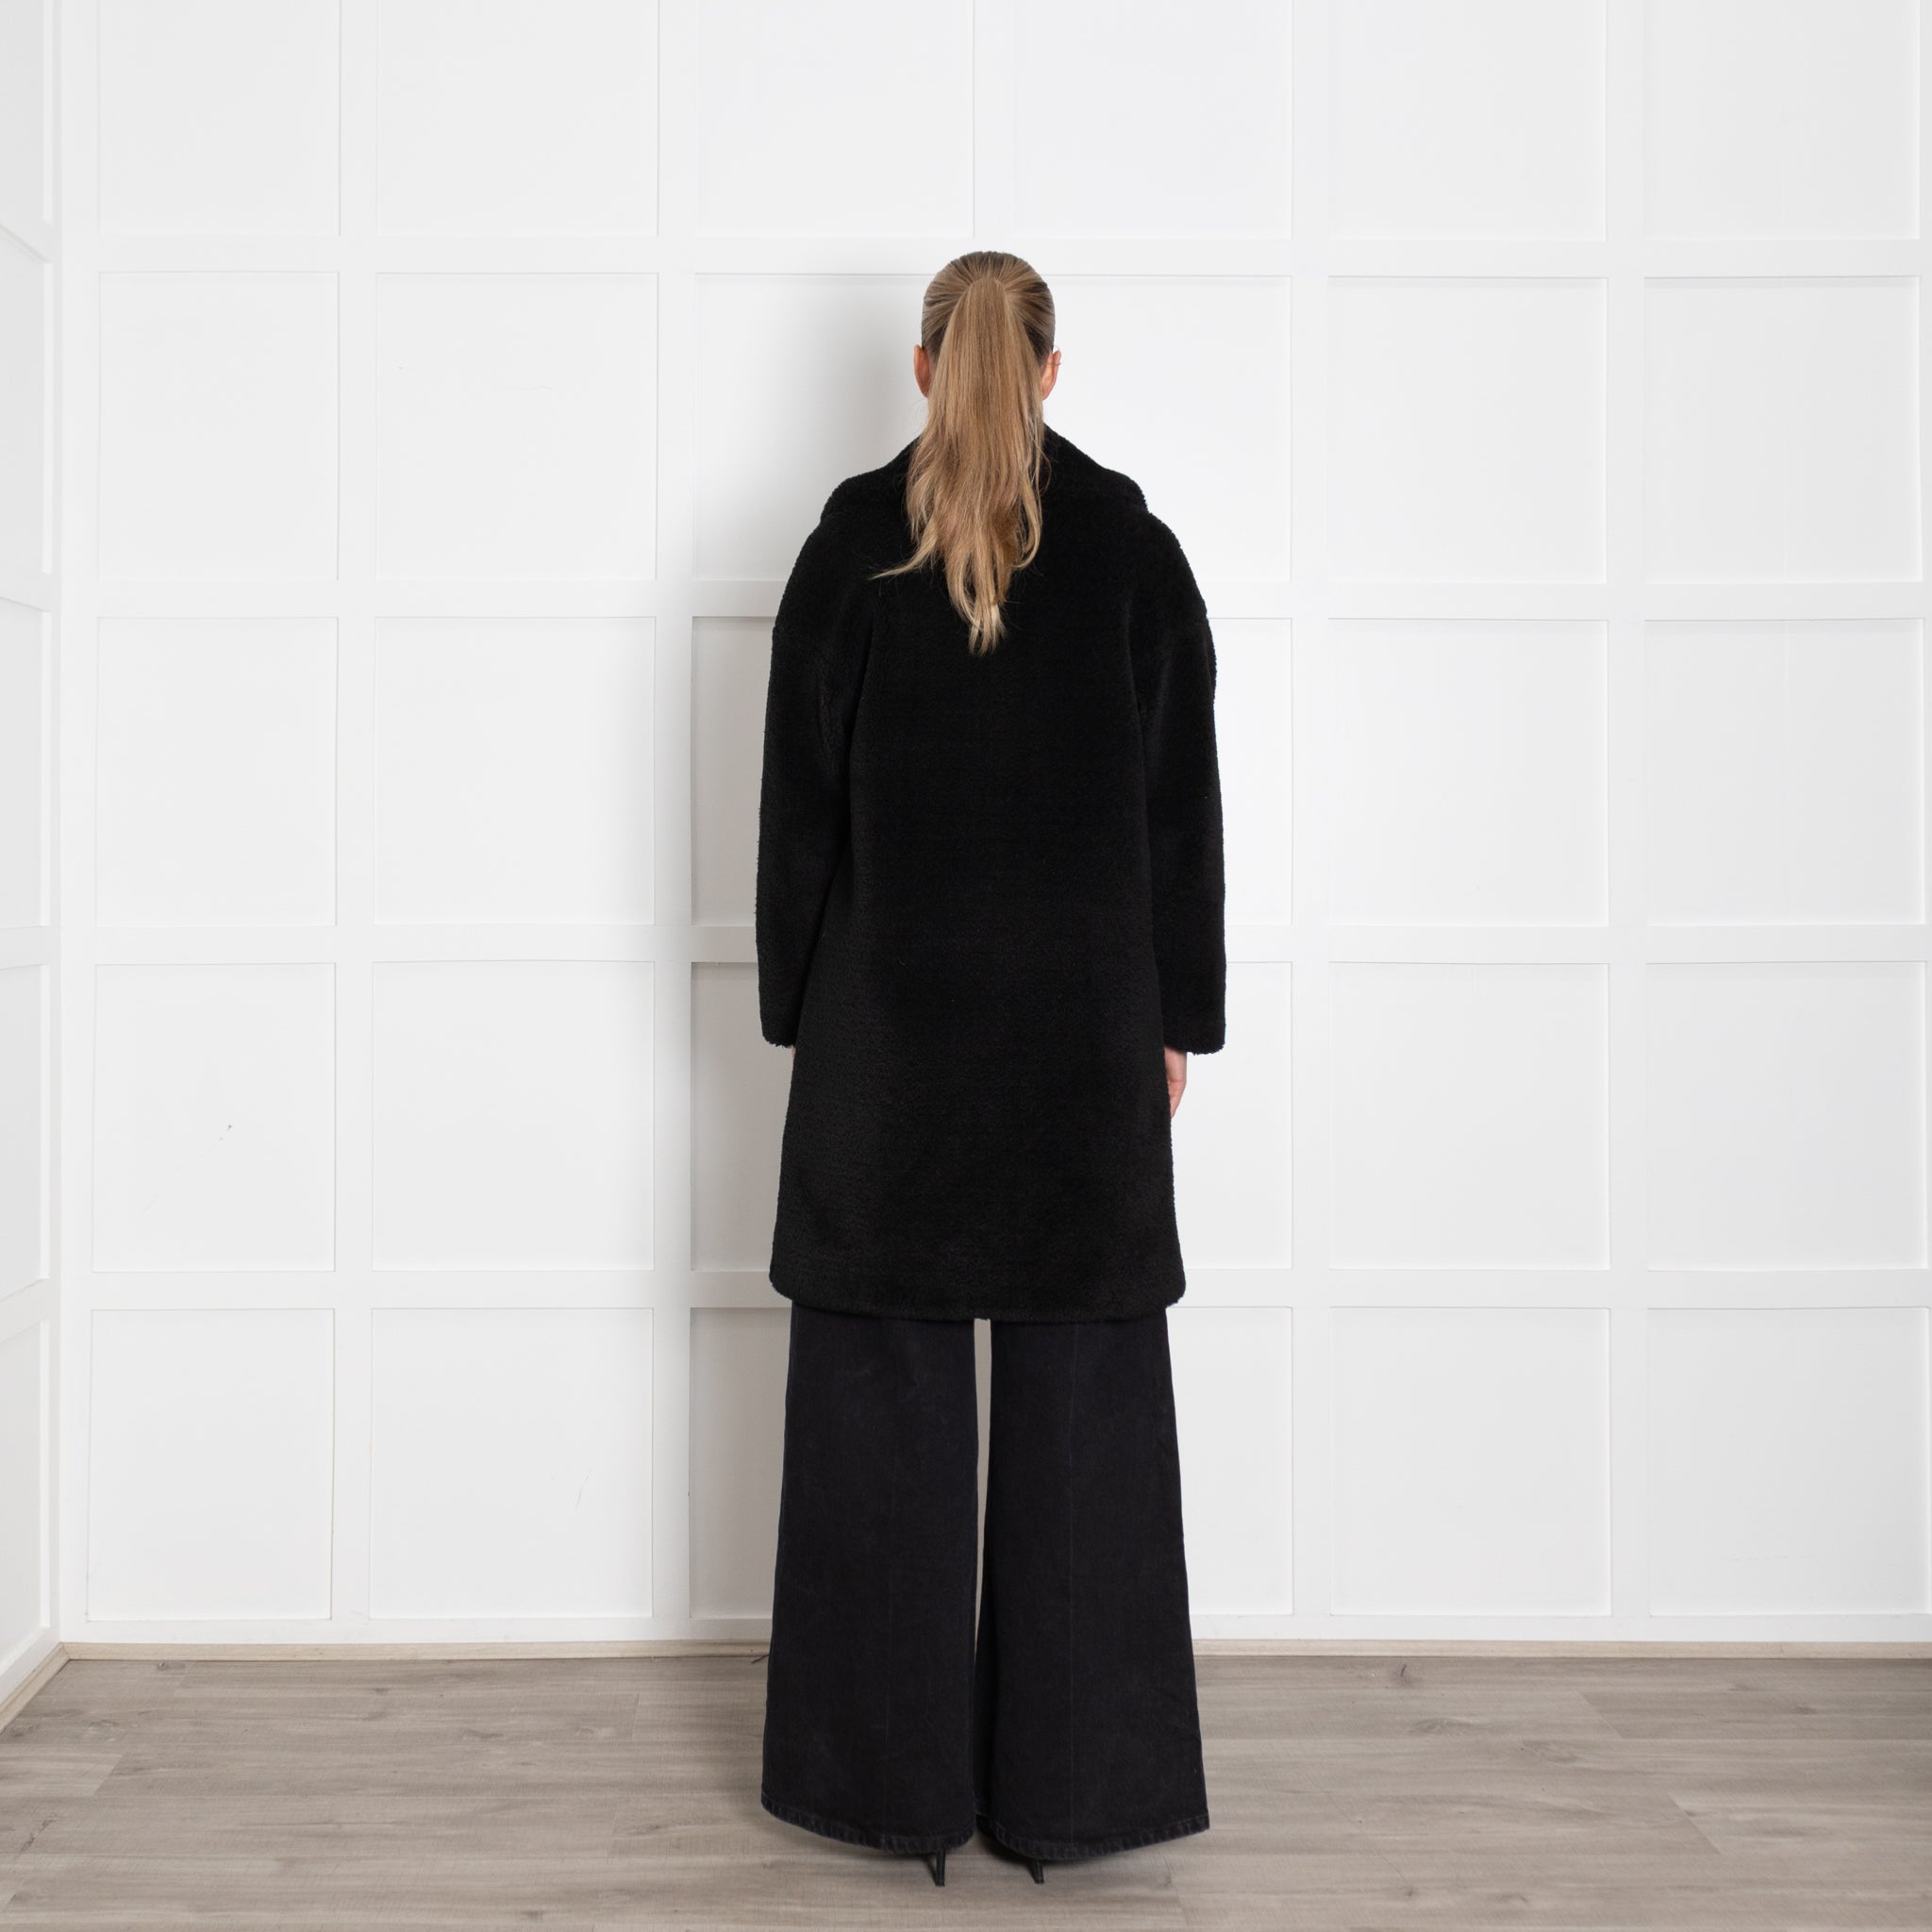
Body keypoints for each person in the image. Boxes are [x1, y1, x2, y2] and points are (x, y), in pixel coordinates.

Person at [753, 249, 1226, 1886]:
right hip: (1078, 1052)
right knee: (1088, 1423)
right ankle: (1074, 1800)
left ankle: (884, 1792)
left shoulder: (850, 541)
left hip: (888, 1046)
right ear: (1050, 372)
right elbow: (1182, 810)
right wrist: (1176, 1018)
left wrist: (800, 1012)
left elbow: (796, 809)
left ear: (920, 366)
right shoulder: (1130, 548)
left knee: (874, 1416)